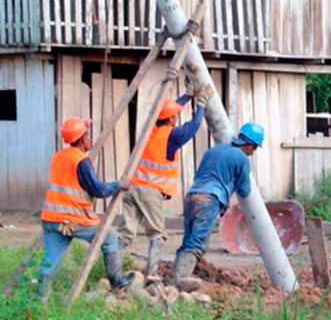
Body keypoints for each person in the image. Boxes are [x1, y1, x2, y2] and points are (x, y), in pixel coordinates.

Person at [117, 83, 214, 282]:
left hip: (132, 187)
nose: (176, 118)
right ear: (170, 119)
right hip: (150, 190)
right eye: (175, 116)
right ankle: (151, 274)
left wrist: (187, 96)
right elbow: (193, 127)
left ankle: (114, 273)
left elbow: (167, 110)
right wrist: (201, 104)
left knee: (125, 234)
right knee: (157, 234)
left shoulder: (150, 129)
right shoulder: (172, 136)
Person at [38, 117, 134, 302]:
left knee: (49, 261)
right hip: (72, 220)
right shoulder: (80, 161)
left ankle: (40, 301)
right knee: (109, 237)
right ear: (82, 139)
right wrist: (119, 184)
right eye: (88, 135)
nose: (90, 139)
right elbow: (98, 190)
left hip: (51, 219)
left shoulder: (59, 156)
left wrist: (82, 125)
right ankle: (117, 281)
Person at [172, 122, 264, 292]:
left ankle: (174, 278)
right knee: (197, 244)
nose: (253, 152)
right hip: (210, 198)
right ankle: (181, 281)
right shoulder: (242, 159)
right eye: (255, 148)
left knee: (188, 240)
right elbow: (244, 190)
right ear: (250, 146)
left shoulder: (212, 151)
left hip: (192, 196)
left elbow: (201, 174)